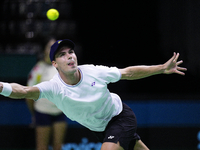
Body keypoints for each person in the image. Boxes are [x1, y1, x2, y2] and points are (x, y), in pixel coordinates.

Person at [0, 39, 187, 150]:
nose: (70, 56)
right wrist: (1, 86)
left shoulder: (94, 72)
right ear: (54, 64)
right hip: (100, 129)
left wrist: (162, 68)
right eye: (62, 55)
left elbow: (128, 72)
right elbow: (24, 91)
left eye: (71, 52)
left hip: (119, 118)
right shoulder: (53, 87)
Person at [26, 38, 67, 150]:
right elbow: (28, 94)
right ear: (44, 50)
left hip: (60, 112)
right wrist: (34, 114)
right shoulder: (38, 69)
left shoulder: (63, 68)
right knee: (42, 147)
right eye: (50, 46)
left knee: (58, 147)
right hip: (42, 112)